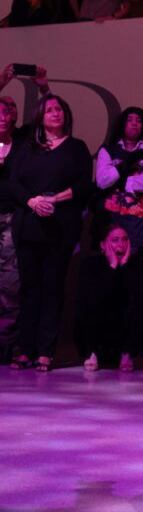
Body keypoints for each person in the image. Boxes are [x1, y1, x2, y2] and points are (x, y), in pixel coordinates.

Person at [10, 94, 92, 372]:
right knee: (30, 289)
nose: (55, 114)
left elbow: (84, 186)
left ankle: (45, 351)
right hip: (29, 225)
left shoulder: (76, 148)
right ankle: (25, 348)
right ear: (40, 117)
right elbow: (13, 182)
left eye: (59, 109)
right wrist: (32, 201)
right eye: (49, 111)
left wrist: (56, 199)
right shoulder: (27, 147)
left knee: (52, 289)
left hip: (60, 228)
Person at [74, 225, 143, 372]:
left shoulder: (138, 265)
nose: (121, 245)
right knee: (86, 305)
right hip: (98, 323)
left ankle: (127, 353)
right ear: (103, 245)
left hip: (124, 326)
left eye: (125, 240)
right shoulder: (90, 264)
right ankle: (90, 352)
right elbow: (91, 299)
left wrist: (124, 266)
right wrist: (112, 266)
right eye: (115, 240)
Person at [94, 107, 143, 255]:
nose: (134, 123)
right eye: (129, 120)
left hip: (138, 225)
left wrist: (118, 173)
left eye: (139, 120)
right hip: (109, 221)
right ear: (122, 124)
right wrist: (129, 165)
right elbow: (102, 181)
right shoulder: (108, 150)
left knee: (133, 271)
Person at [0, 96, 22, 364]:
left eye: (6, 114)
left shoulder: (22, 145)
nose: (2, 118)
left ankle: (5, 343)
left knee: (9, 281)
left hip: (10, 216)